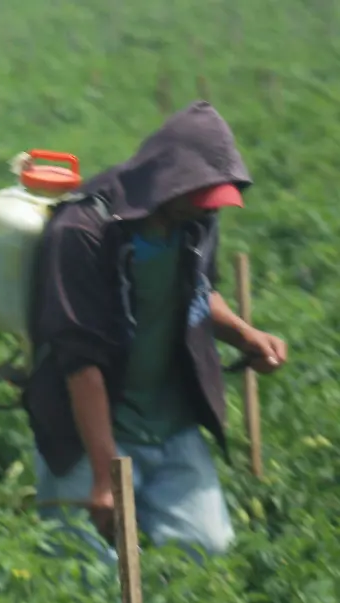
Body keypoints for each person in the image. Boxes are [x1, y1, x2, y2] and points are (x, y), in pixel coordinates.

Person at [25, 102, 286, 559]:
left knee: (206, 553)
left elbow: (198, 291)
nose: (205, 211)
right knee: (86, 578)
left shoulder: (195, 220)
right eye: (198, 198)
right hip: (89, 432)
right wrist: (105, 479)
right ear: (170, 181)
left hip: (169, 423)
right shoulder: (83, 229)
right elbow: (80, 360)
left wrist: (246, 336)